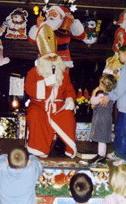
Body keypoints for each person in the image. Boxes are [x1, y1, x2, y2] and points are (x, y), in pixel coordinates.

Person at [25, 24, 77, 158]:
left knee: (69, 115)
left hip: (58, 106)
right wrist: (44, 83)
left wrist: (70, 99)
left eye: (55, 57)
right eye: (49, 58)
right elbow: (28, 89)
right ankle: (38, 150)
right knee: (35, 115)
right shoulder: (34, 72)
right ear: (42, 59)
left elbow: (69, 89)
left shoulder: (64, 74)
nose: (53, 61)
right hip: (39, 105)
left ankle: (67, 150)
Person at [100, 44, 126, 166]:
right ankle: (119, 152)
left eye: (120, 54)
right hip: (125, 105)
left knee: (124, 131)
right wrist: (119, 71)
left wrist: (109, 96)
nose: (119, 56)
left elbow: (121, 89)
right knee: (118, 129)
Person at [88, 74, 117, 164]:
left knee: (101, 138)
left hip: (101, 119)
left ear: (104, 85)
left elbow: (92, 101)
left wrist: (94, 92)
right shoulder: (110, 96)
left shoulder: (101, 96)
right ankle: (101, 154)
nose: (98, 85)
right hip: (107, 118)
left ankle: (101, 155)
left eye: (100, 83)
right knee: (102, 138)